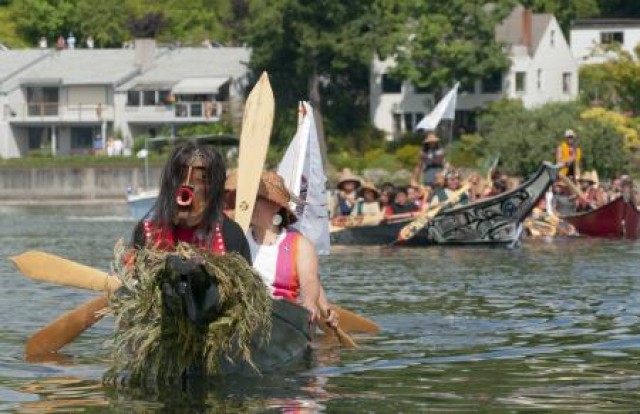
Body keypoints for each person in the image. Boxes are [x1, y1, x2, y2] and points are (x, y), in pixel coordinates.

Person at [131, 141, 251, 263]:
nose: (187, 187)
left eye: (201, 180)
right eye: (180, 177)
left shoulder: (230, 234)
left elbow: (244, 280)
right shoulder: (148, 232)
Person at [246, 171, 337, 327]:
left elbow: (309, 280)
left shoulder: (301, 244)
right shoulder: (237, 236)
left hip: (285, 316)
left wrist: (309, 303)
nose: (248, 205)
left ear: (275, 205)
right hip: (246, 312)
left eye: (256, 199)